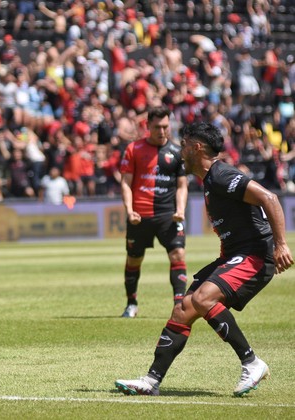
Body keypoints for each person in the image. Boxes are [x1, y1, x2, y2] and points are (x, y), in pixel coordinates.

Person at [115, 122, 294, 397]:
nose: (180, 151)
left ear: (197, 147)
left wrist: (281, 244)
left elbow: (269, 198)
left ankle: (251, 362)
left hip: (254, 256)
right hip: (234, 256)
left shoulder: (221, 175)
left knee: (201, 299)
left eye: (184, 145)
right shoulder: (210, 180)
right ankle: (151, 381)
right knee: (183, 309)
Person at [119, 106, 188, 318]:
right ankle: (131, 303)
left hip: (168, 215)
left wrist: (180, 210)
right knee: (134, 260)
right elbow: (125, 183)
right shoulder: (134, 149)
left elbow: (182, 186)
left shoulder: (177, 152)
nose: (162, 131)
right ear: (148, 126)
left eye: (165, 126)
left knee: (178, 254)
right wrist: (130, 211)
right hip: (140, 217)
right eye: (157, 127)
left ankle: (179, 306)